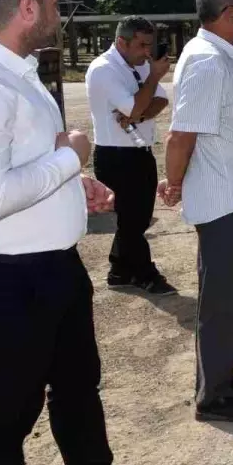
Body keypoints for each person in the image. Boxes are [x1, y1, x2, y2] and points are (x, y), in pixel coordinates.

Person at [0, 0, 178, 465]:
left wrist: (71, 182)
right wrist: (72, 158)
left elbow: (17, 160)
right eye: (56, 3)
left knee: (78, 386)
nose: (62, 13)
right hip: (7, 275)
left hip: (51, 265)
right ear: (27, 6)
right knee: (8, 409)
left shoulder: (15, 67)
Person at [162, 0, 233, 423]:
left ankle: (221, 376)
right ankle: (214, 397)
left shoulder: (218, 57)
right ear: (229, 15)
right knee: (223, 303)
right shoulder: (209, 62)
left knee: (229, 299)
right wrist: (171, 184)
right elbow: (181, 134)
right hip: (227, 203)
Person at [85, 16, 177, 295]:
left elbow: (160, 100)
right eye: (141, 45)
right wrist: (148, 87)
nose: (148, 52)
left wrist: (137, 114)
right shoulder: (104, 69)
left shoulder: (140, 65)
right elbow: (138, 105)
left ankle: (119, 270)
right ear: (121, 42)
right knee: (133, 220)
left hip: (140, 152)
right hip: (116, 156)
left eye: (150, 44)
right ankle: (144, 273)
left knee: (135, 217)